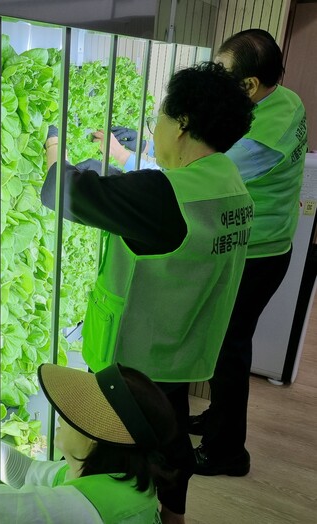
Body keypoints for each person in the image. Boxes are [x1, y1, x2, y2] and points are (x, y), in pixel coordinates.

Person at [42, 62, 255, 523]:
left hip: (138, 353)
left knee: (120, 452)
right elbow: (168, 204)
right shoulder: (229, 182)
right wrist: (125, 160)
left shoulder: (161, 197)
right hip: (184, 344)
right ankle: (173, 516)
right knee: (172, 438)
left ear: (181, 125)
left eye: (159, 115)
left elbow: (63, 192)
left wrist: (54, 143)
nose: (153, 127)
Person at [102, 30, 308, 478]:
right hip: (268, 245)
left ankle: (227, 451)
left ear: (250, 85)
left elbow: (193, 174)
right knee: (227, 343)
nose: (214, 77)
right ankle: (216, 422)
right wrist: (144, 143)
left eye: (223, 72)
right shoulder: (285, 100)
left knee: (227, 350)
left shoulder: (259, 140)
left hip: (256, 255)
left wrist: (127, 156)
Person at [0, 351, 178, 523]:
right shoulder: (114, 476)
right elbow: (26, 472)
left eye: (76, 412)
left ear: (97, 436)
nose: (62, 415)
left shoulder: (82, 510)